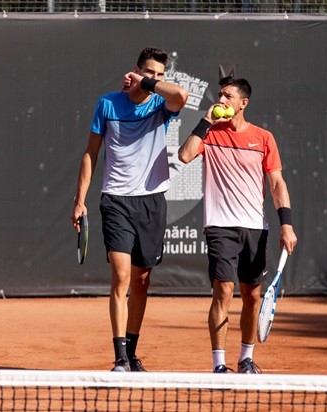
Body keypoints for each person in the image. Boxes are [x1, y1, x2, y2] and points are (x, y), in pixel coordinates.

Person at [71, 47, 188, 372]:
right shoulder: (107, 104)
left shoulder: (161, 104)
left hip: (151, 200)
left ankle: (132, 352)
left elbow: (181, 95)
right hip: (116, 200)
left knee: (142, 280)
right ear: (135, 68)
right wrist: (80, 200)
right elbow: (90, 154)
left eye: (160, 75)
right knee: (121, 277)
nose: (156, 79)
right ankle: (120, 358)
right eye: (150, 72)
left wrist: (147, 84)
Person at [178, 75, 297, 374]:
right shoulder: (210, 133)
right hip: (220, 225)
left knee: (252, 295)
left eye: (227, 96)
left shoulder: (264, 138)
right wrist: (205, 122)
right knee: (223, 290)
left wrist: (287, 224)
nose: (221, 100)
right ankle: (219, 363)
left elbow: (277, 183)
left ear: (243, 103)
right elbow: (184, 154)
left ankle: (246, 358)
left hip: (255, 227)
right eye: (219, 95)